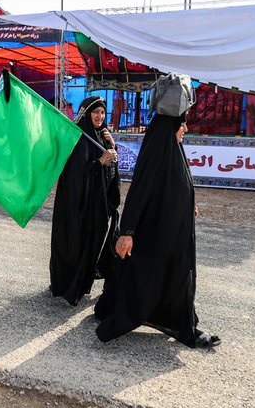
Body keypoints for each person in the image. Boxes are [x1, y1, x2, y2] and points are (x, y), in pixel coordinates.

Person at [95, 113, 221, 348]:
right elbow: (139, 192)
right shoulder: (157, 153)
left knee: (172, 277)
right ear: (169, 127)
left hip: (172, 232)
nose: (185, 127)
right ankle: (118, 316)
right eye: (181, 123)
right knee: (144, 276)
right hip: (154, 233)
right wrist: (127, 233)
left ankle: (176, 321)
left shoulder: (175, 151)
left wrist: (188, 203)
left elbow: (177, 184)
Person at [49, 95, 120, 306]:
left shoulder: (101, 136)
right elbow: (74, 175)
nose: (100, 116)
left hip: (97, 205)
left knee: (93, 244)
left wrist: (111, 144)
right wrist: (100, 161)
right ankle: (69, 288)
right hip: (79, 206)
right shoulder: (78, 138)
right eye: (95, 112)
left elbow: (112, 167)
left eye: (102, 112)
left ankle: (82, 286)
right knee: (77, 245)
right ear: (87, 114)